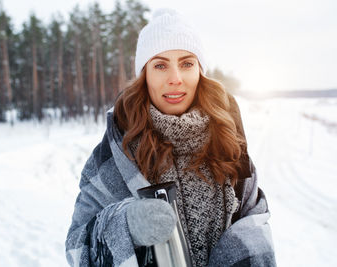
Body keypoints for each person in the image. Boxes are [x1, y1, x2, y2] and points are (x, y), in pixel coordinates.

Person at [65, 8, 276, 267]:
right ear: (145, 75)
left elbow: (256, 225)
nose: (175, 79)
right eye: (160, 65)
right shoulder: (113, 155)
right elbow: (76, 249)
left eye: (186, 63)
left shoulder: (230, 146)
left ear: (200, 71)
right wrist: (126, 225)